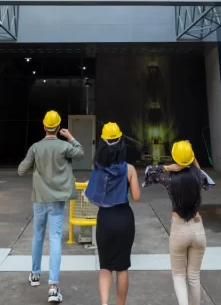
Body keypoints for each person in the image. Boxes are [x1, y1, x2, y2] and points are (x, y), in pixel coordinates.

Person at [18, 110, 84, 303]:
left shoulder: (35, 147)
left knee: (38, 235)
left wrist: (37, 166)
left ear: (44, 126)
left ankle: (35, 274)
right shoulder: (65, 147)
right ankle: (53, 287)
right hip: (57, 200)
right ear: (58, 126)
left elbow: (21, 170)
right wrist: (70, 136)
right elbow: (80, 152)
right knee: (55, 239)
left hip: (39, 198)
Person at [143, 140, 214, 305]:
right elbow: (207, 180)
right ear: (190, 158)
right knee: (194, 276)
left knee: (179, 275)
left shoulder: (168, 177)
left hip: (179, 228)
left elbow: (149, 172)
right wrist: (192, 155)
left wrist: (166, 167)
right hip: (198, 228)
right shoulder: (199, 176)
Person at [84, 122, 141, 305]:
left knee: (105, 266)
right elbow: (137, 197)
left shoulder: (98, 169)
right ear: (121, 143)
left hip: (105, 219)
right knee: (122, 267)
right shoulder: (129, 169)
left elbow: (91, 195)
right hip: (124, 218)